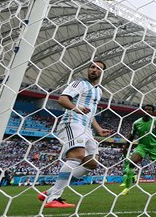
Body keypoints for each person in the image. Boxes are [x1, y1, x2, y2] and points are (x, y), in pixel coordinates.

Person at [38, 60, 112, 208]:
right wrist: (76, 108)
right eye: (92, 67)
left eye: (98, 69)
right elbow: (62, 99)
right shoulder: (80, 83)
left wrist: (98, 129)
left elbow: (91, 114)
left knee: (92, 163)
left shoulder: (98, 90)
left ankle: (50, 192)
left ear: (102, 73)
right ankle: (53, 198)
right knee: (77, 156)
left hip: (87, 128)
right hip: (72, 122)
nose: (94, 70)